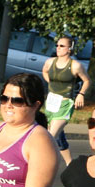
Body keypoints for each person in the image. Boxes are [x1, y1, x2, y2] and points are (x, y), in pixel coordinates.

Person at [41, 36, 90, 166]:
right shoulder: (50, 62)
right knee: (57, 136)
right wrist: (51, 82)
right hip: (51, 102)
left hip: (65, 104)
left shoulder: (75, 66)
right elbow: (44, 71)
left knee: (49, 138)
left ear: (69, 49)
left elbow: (86, 80)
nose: (58, 48)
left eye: (62, 46)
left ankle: (42, 166)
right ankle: (70, 165)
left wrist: (80, 94)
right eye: (57, 45)